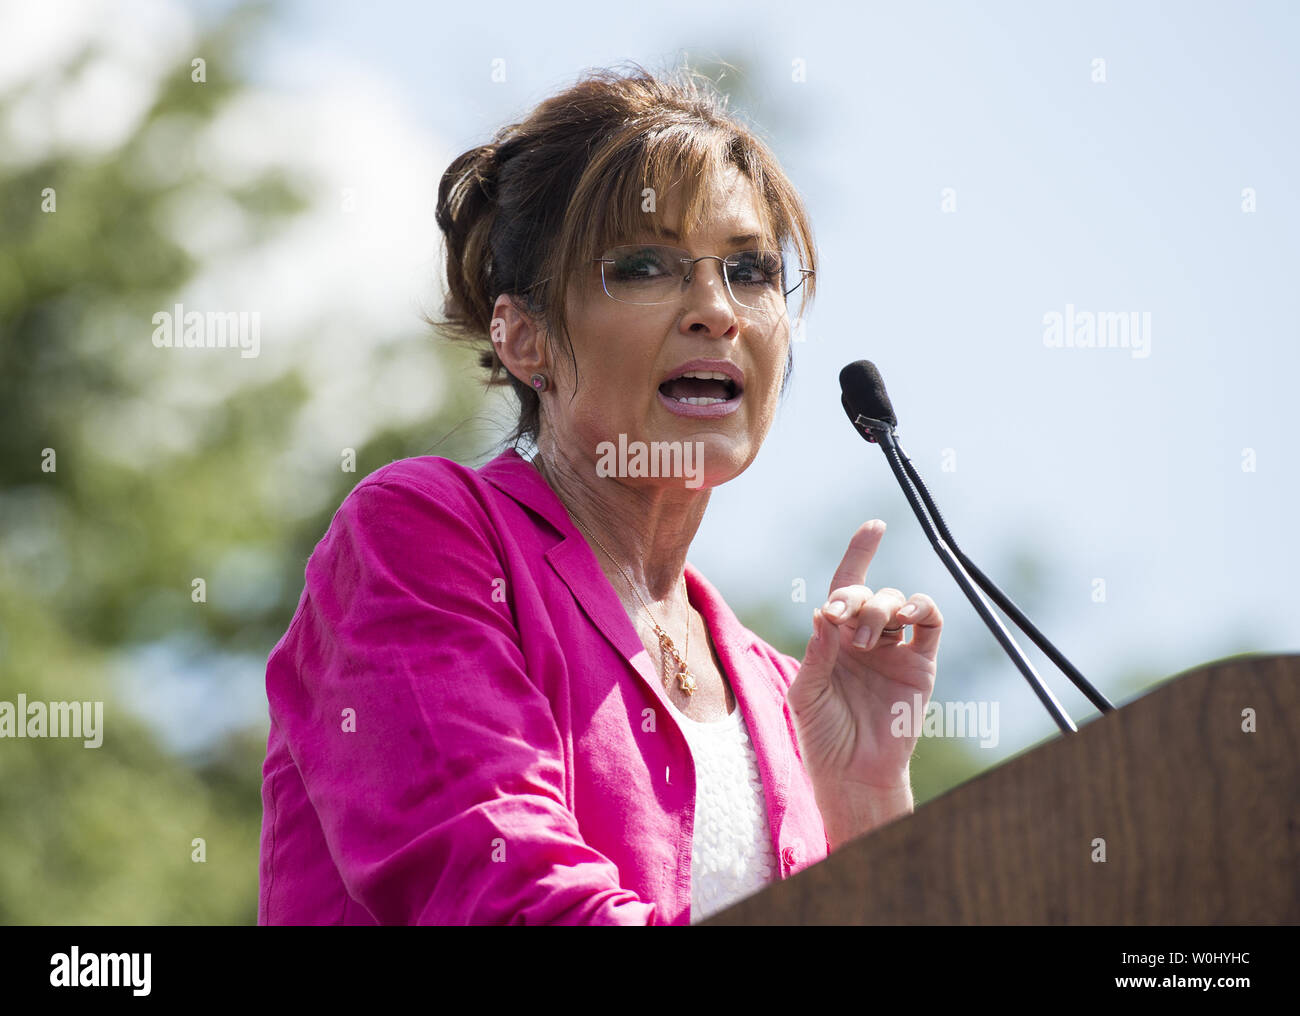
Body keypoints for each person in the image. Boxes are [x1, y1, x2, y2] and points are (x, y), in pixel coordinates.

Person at [257, 62, 942, 926]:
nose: (715, 311)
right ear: (526, 338)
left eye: (752, 271)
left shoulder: (783, 690)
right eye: (646, 267)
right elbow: (502, 893)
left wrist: (866, 802)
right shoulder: (422, 536)